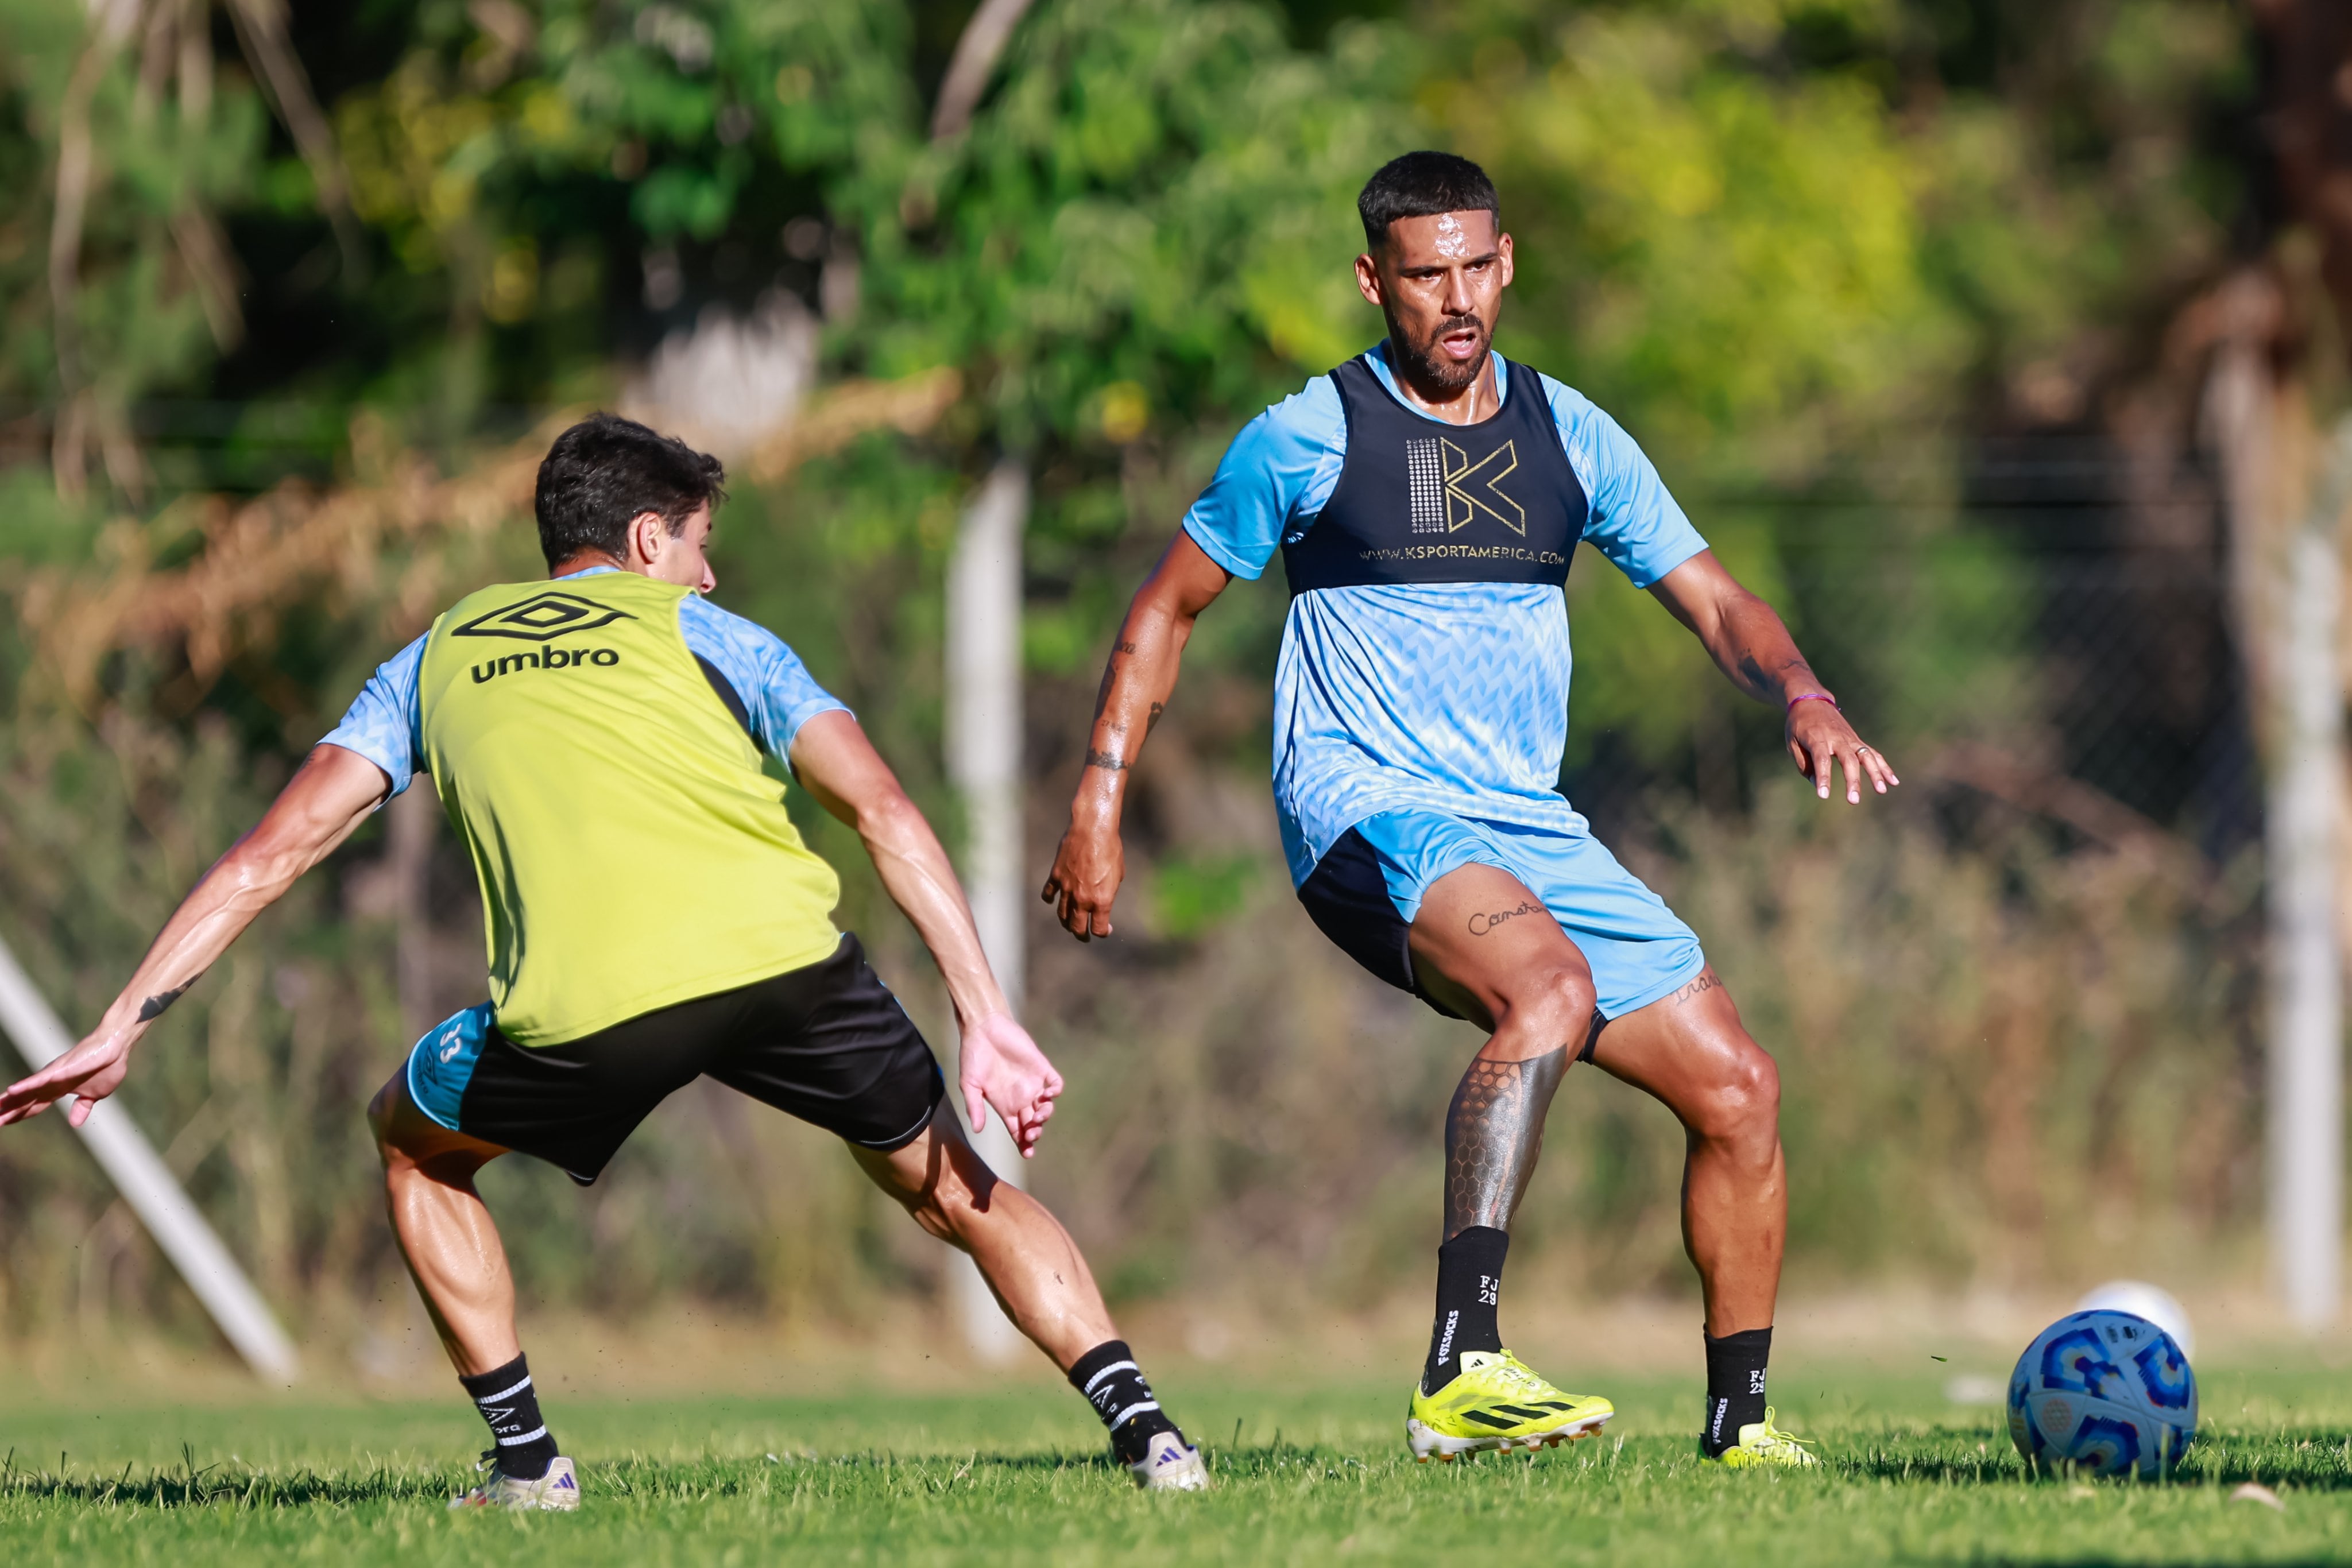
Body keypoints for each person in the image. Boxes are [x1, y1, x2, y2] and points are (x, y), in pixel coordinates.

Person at [0, 414, 1208, 1507]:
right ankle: (1151, 1436)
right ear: (644, 541)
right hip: (784, 959)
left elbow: (270, 854)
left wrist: (122, 1022)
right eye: (696, 544)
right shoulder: (710, 631)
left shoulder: (432, 657)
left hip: (587, 1007)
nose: (708, 568)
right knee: (959, 1188)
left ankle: (526, 1464)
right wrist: (984, 1012)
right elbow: (885, 809)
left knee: (413, 1141)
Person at [1042, 152, 1898, 1468]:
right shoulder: (1308, 434)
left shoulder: (1570, 434)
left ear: (1506, 266)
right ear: (1371, 280)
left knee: (1738, 1086)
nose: (1455, 300)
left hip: (1525, 823)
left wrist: (1800, 692)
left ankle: (1739, 1429)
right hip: (1366, 807)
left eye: (1475, 269)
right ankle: (1460, 1367)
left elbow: (1718, 601)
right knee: (1545, 988)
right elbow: (1164, 607)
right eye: (1424, 274)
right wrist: (1100, 792)